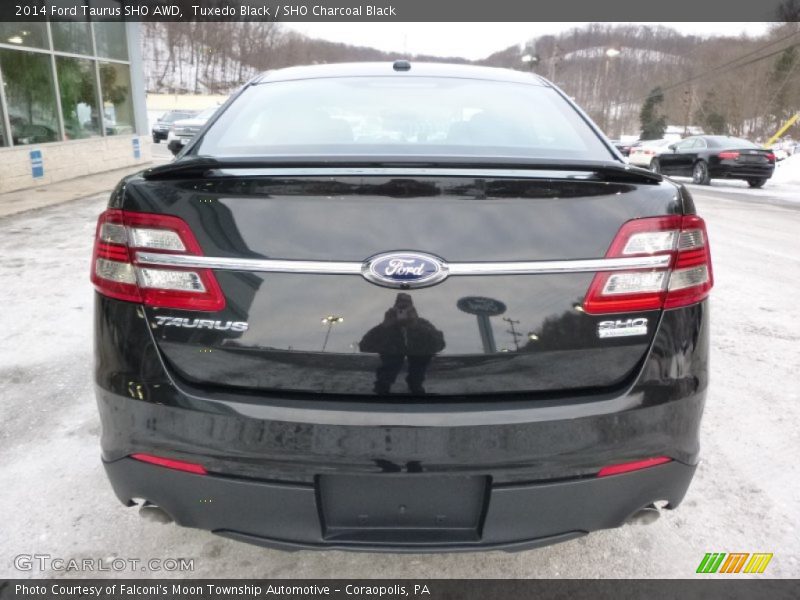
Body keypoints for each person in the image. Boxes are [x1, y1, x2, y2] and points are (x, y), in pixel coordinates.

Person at [359, 293, 445, 395]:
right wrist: (384, 326)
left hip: (418, 381)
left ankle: (415, 386)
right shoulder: (386, 325)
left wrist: (415, 326)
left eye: (406, 307)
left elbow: (439, 344)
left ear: (413, 309)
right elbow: (364, 346)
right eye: (400, 307)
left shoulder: (422, 324)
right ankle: (383, 387)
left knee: (421, 359)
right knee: (390, 360)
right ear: (394, 308)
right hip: (384, 385)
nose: (402, 311)